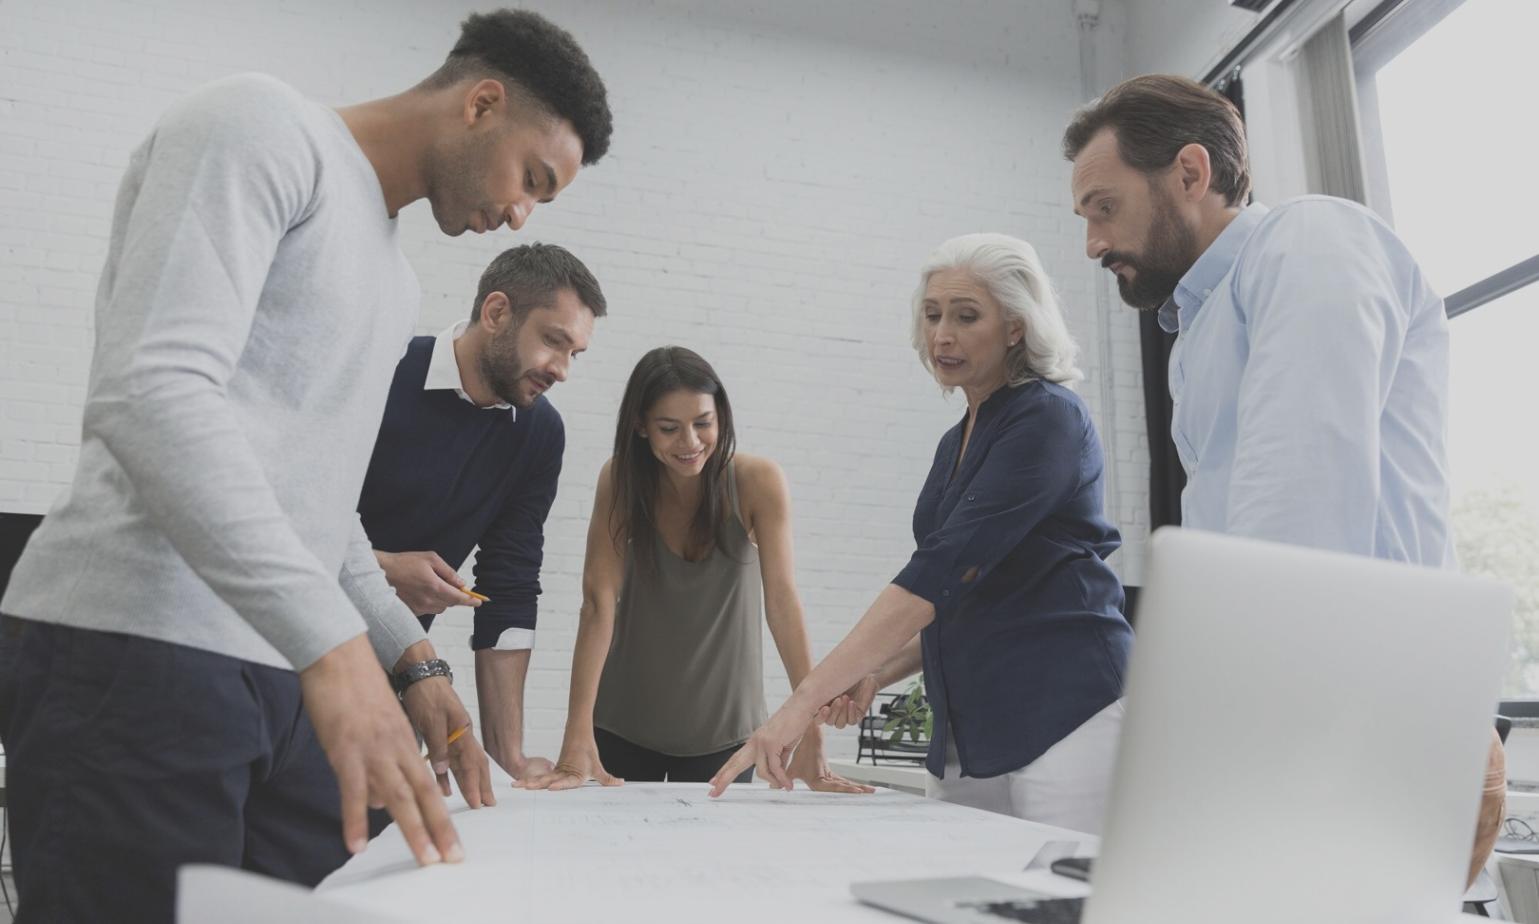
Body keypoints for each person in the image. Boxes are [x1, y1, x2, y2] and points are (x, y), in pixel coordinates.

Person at [0, 9, 611, 921]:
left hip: (278, 677)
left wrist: (410, 660)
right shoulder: (259, 127)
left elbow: (320, 514)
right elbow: (152, 395)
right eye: (532, 179)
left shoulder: (393, 277)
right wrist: (337, 652)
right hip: (139, 651)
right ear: (482, 103)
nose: (519, 214)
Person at [1060, 72, 1499, 878]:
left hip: (1364, 703)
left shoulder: (1309, 241)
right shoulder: (1197, 327)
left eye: (1104, 207)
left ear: (1190, 174)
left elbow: (1299, 497)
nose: (1092, 243)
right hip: (1306, 703)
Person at [709, 235, 1132, 835]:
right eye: (932, 315)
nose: (942, 335)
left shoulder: (1048, 418)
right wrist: (877, 673)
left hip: (1068, 715)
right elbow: (953, 600)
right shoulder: (955, 441)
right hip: (970, 731)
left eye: (966, 316)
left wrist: (799, 705)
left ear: (1016, 327)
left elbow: (935, 575)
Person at [521, 347, 872, 791]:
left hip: (726, 735)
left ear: (720, 417)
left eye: (703, 423)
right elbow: (597, 604)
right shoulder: (620, 481)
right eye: (669, 428)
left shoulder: (756, 482)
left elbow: (782, 603)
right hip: (623, 726)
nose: (689, 443)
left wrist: (811, 733)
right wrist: (577, 734)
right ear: (640, 426)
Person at [361, 243, 605, 782]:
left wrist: (509, 757)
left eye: (575, 354)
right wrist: (382, 570)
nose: (561, 371)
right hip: (277, 651)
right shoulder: (381, 369)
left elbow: (509, 586)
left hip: (397, 680)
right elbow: (293, 510)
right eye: (553, 342)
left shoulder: (540, 433)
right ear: (496, 313)